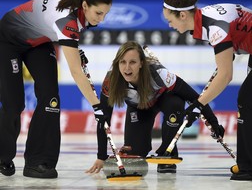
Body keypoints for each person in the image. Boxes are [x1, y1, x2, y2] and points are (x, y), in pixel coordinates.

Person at [162, 0, 252, 181]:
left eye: (170, 20)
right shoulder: (206, 18)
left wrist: (198, 105)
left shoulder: (214, 27)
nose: (170, 26)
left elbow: (225, 75)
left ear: (183, 15)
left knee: (247, 100)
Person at [0, 0, 112, 178]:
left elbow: (55, 30)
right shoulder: (67, 19)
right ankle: (2, 156)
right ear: (85, 6)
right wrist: (97, 106)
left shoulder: (76, 10)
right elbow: (76, 72)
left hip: (39, 41)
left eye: (105, 14)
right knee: (14, 104)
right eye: (98, 13)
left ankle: (38, 162)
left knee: (51, 99)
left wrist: (75, 49)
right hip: (8, 39)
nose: (101, 20)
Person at [85, 41, 224, 174]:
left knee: (176, 104)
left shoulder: (159, 73)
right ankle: (140, 148)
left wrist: (213, 122)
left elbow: (194, 98)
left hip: (164, 100)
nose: (127, 68)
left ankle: (168, 152)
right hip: (139, 108)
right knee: (136, 154)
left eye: (132, 62)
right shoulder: (111, 80)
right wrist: (101, 156)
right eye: (122, 62)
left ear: (141, 63)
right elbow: (103, 120)